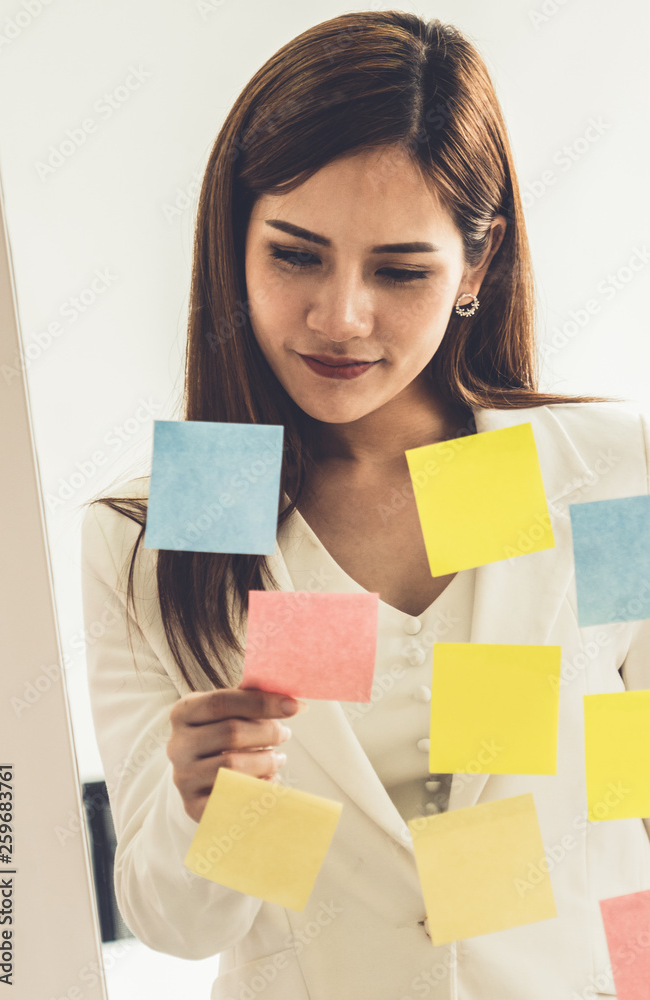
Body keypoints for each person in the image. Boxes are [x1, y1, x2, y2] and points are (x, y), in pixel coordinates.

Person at [80, 10, 650, 999]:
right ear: (232, 241)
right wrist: (211, 804)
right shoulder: (159, 529)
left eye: (399, 270)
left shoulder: (607, 476)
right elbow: (179, 925)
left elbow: (632, 818)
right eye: (295, 253)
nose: (339, 317)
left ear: (475, 265)